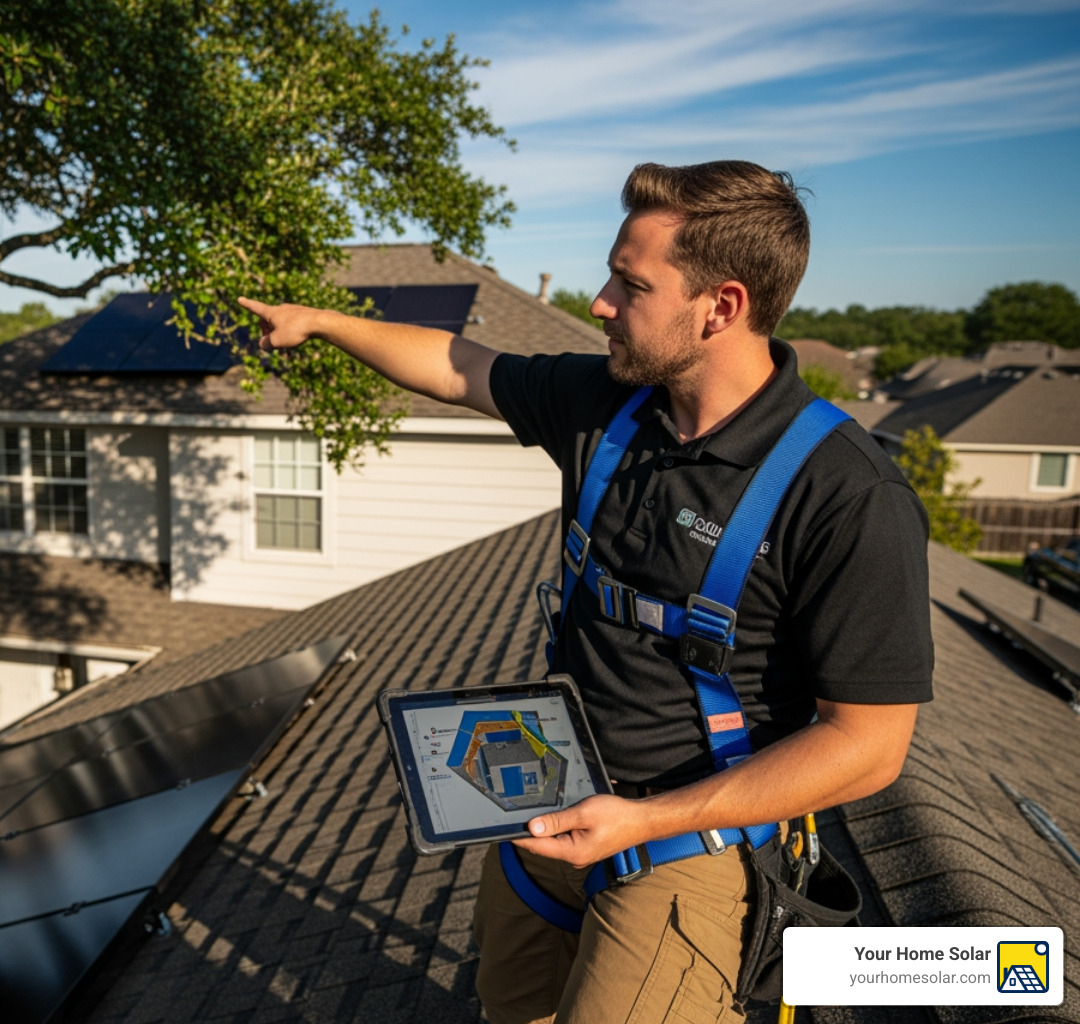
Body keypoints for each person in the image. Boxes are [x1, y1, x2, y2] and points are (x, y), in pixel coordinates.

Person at [239, 160, 934, 1024]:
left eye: (629, 283)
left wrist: (646, 823)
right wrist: (322, 321)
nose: (601, 302)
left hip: (689, 845)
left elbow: (868, 747)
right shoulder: (610, 405)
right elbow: (461, 366)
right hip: (548, 802)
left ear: (721, 306)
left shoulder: (844, 493)